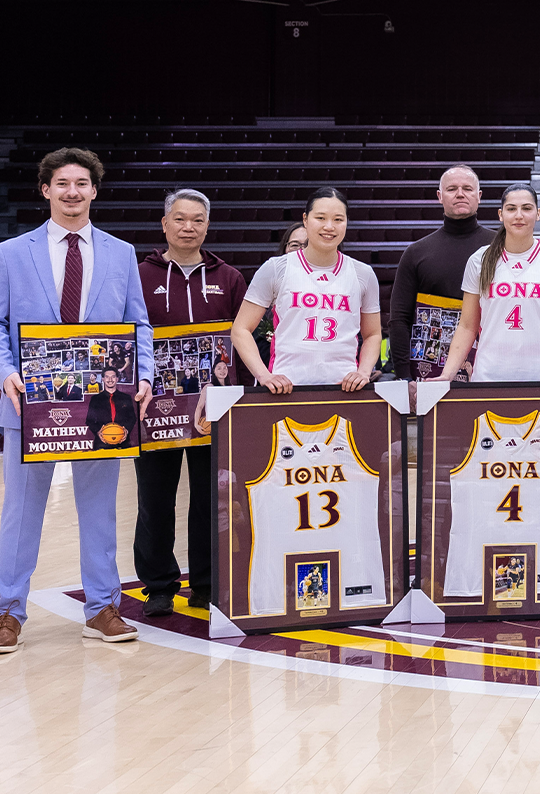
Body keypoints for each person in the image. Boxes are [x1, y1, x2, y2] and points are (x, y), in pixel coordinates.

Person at [0, 148, 151, 653]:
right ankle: (8, 613)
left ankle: (101, 607)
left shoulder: (120, 253)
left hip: (104, 404)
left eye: (81, 183)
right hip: (29, 401)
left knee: (99, 511)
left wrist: (142, 373)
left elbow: (138, 323)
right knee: (21, 511)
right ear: (45, 190)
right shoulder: (12, 253)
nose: (72, 192)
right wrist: (7, 373)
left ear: (94, 190)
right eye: (62, 183)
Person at [134, 187, 248, 617]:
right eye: (180, 219)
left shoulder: (230, 277)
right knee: (155, 502)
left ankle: (205, 582)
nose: (188, 227)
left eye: (197, 220)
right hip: (153, 410)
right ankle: (159, 585)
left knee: (209, 501)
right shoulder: (138, 274)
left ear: (207, 225)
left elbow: (244, 339)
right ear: (164, 224)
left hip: (212, 410)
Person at [437, 183, 540, 383]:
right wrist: (447, 375)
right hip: (488, 377)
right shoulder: (480, 260)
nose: (519, 215)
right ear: (501, 215)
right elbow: (467, 326)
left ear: (537, 214)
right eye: (511, 209)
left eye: (526, 208)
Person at [232, 187, 382, 393]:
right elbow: (240, 329)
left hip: (344, 390)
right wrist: (264, 375)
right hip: (285, 389)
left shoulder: (362, 273)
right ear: (305, 219)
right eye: (320, 217)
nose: (329, 226)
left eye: (338, 219)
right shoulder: (276, 268)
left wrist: (364, 372)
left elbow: (373, 334)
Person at [387, 166, 488, 380]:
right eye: (452, 189)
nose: (460, 194)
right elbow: (399, 319)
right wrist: (405, 378)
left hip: (489, 365)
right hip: (428, 370)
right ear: (439, 197)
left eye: (467, 188)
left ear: (479, 196)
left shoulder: (500, 248)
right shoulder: (416, 253)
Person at [252, 222, 310, 367]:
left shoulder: (336, 287)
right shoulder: (269, 284)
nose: (300, 250)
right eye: (295, 245)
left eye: (307, 245)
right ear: (285, 248)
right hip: (278, 375)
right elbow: (253, 337)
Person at [86, 368, 138, 446]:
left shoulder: (126, 397)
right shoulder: (95, 399)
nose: (110, 379)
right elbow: (89, 420)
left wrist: (126, 430)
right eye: (107, 377)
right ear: (103, 379)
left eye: (113, 376)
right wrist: (98, 431)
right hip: (102, 443)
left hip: (123, 442)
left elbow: (132, 418)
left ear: (117, 379)